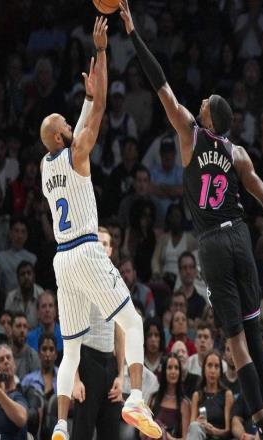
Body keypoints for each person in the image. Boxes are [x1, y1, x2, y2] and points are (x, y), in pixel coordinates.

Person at [119, 3, 263, 437]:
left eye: (207, 102)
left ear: (209, 118)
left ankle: (262, 426)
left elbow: (160, 83)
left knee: (236, 341)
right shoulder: (238, 154)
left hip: (211, 242)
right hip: (241, 236)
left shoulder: (189, 132)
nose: (202, 100)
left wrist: (132, 31)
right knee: (255, 332)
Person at [39, 17, 160, 440]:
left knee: (71, 347)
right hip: (87, 249)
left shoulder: (45, 165)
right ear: (61, 137)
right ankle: (136, 398)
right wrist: (104, 53)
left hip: (61, 259)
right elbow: (102, 110)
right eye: (65, 124)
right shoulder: (75, 153)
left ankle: (60, 424)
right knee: (134, 322)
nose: (71, 125)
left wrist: (86, 100)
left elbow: (82, 120)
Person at [70, 226, 126, 440]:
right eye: (97, 243)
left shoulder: (118, 283)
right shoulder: (80, 282)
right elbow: (71, 333)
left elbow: (120, 334)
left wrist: (121, 376)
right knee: (82, 433)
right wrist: (75, 379)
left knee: (111, 433)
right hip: (86, 360)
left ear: (110, 250)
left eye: (105, 244)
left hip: (109, 364)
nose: (101, 247)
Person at [187, 351, 233, 440]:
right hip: (200, 436)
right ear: (204, 369)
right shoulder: (197, 395)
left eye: (216, 366)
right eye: (209, 365)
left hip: (218, 437)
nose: (213, 371)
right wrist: (199, 423)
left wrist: (213, 431)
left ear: (220, 371)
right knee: (194, 426)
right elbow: (191, 426)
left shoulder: (227, 394)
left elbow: (228, 431)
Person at [145, 353, 190, 440]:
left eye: (176, 368)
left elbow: (186, 438)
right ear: (164, 371)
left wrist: (167, 436)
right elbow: (142, 435)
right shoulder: (153, 398)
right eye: (169, 368)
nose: (173, 371)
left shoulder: (184, 404)